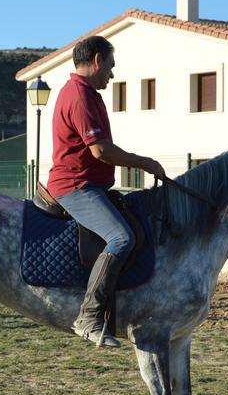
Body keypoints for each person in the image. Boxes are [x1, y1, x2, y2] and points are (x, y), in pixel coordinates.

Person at [47, 36, 165, 348]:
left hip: (92, 185)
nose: (112, 75)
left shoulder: (89, 94)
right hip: (76, 186)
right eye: (110, 66)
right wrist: (144, 162)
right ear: (97, 60)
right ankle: (89, 316)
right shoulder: (79, 95)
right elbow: (99, 150)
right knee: (121, 238)